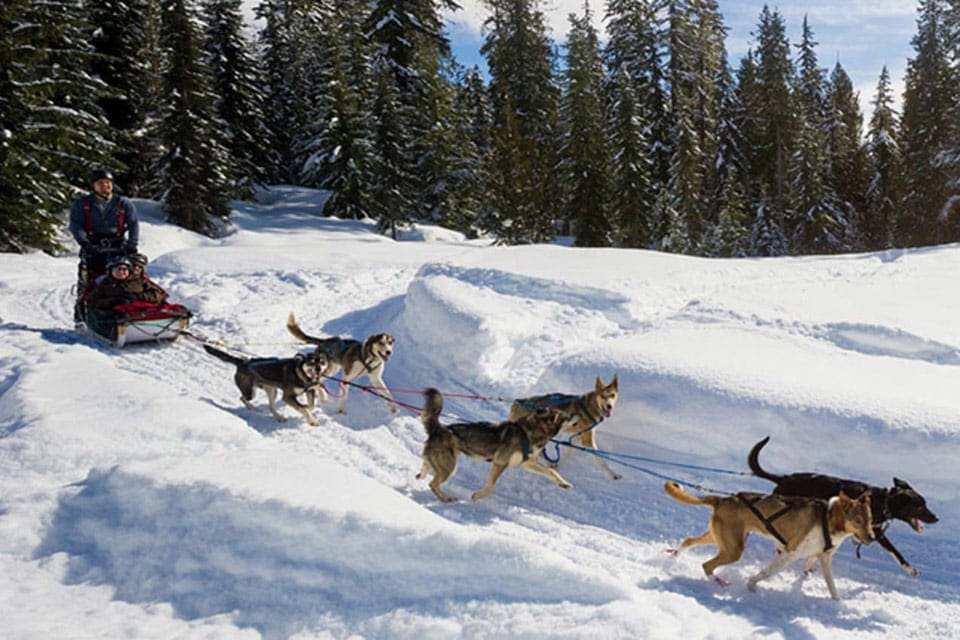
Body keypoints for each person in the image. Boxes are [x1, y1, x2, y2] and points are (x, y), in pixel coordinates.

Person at [69, 168, 140, 320]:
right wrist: (86, 244)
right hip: (93, 245)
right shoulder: (82, 204)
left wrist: (132, 245)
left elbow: (133, 224)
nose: (105, 186)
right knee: (88, 281)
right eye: (100, 183)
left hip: (118, 245)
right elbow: (76, 226)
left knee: (128, 277)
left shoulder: (123, 203)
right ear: (93, 186)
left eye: (108, 183)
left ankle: (130, 309)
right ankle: (82, 317)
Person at [85, 256, 167, 321]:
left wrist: (139, 296)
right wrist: (113, 302)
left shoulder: (140, 282)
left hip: (142, 311)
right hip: (115, 315)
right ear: (111, 271)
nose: (121, 272)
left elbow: (158, 295)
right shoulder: (105, 284)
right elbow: (93, 302)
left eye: (125, 269)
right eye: (118, 269)